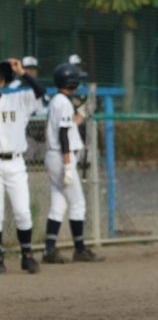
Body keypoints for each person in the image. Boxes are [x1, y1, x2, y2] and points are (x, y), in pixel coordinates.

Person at [42, 62, 104, 264]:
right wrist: (68, 165)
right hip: (62, 157)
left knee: (58, 204)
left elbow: (70, 125)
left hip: (54, 157)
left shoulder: (58, 101)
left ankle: (49, 250)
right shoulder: (64, 103)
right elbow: (63, 135)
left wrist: (82, 111)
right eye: (75, 80)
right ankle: (80, 249)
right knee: (78, 203)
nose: (78, 83)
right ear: (69, 82)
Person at [0, 58, 44, 274]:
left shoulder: (17, 100)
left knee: (23, 212)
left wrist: (22, 72)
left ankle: (27, 256)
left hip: (16, 163)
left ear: (2, 82)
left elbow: (40, 91)